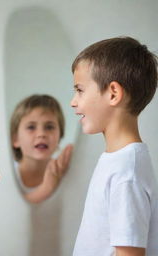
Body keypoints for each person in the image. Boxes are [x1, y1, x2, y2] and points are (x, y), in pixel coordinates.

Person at [70, 36, 158, 256]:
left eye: (80, 90)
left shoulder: (127, 171)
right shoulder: (119, 161)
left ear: (113, 93)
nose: (73, 101)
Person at [10, 94, 73, 204]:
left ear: (60, 136)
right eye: (31, 127)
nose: (41, 134)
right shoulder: (8, 176)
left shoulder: (62, 171)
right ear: (15, 139)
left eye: (49, 127)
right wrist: (47, 187)